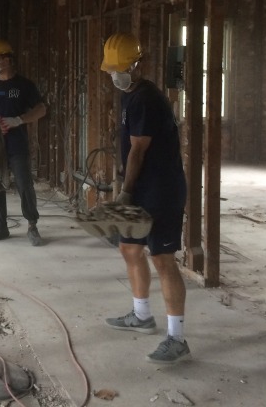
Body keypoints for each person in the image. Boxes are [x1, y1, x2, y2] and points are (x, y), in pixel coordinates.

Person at [99, 31, 190, 364]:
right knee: (129, 248)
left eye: (120, 69)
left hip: (161, 189)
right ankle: (141, 315)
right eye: (112, 69)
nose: (115, 75)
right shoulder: (130, 94)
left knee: (162, 259)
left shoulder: (147, 99)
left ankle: (177, 338)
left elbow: (138, 150)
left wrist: (125, 191)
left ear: (137, 65)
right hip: (141, 188)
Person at [0, 39, 47, 246]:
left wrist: (18, 120)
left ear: (7, 60)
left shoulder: (24, 86)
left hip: (17, 145)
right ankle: (0, 228)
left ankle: (32, 225)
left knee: (24, 184)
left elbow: (41, 109)